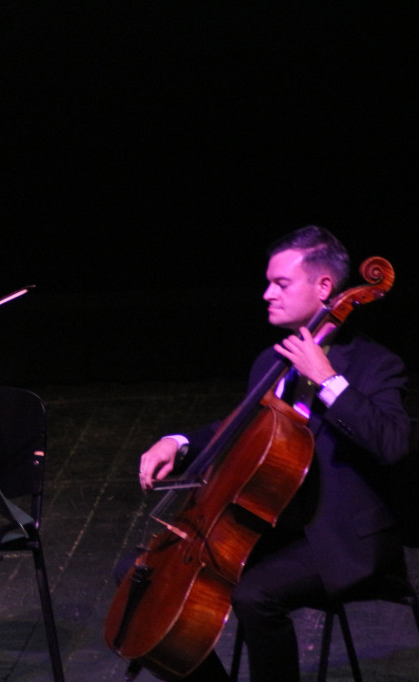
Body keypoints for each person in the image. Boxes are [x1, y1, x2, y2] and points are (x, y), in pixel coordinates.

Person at [130, 226, 411, 682]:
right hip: (277, 529)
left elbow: (393, 444)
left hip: (342, 540)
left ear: (325, 288)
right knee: (140, 574)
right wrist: (178, 442)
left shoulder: (373, 363)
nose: (265, 294)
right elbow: (237, 428)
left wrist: (328, 381)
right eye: (268, 283)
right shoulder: (271, 361)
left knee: (255, 595)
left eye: (280, 284)